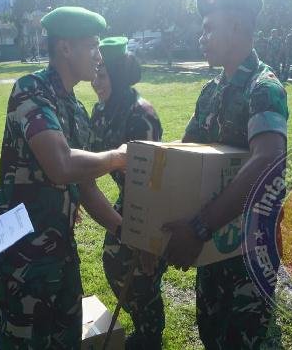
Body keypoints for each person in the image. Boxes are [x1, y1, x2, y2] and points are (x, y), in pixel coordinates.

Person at [0, 6, 132, 349]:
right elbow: (61, 164)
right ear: (66, 47)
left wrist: (125, 231)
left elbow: (85, 187)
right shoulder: (31, 90)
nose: (99, 56)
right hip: (23, 258)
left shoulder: (76, 109)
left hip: (61, 254)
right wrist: (117, 158)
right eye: (93, 45)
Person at [163, 0, 288, 349]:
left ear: (235, 28)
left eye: (208, 28)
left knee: (240, 339)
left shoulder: (264, 87)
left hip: (248, 247)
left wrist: (200, 226)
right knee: (210, 331)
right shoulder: (212, 90)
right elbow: (186, 152)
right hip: (212, 242)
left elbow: (268, 159)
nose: (201, 38)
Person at [89, 37, 167, 349]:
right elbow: (89, 159)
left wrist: (147, 238)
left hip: (151, 201)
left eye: (102, 75)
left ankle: (150, 336)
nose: (95, 82)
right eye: (95, 74)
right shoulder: (101, 110)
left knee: (142, 274)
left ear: (119, 76)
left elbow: (151, 181)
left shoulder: (140, 113)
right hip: (128, 195)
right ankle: (145, 329)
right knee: (117, 263)